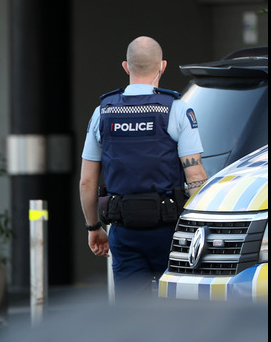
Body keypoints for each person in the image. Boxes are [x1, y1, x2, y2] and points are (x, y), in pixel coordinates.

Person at [78, 35, 208, 300]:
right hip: (170, 231)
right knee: (177, 309)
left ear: (126, 67)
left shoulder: (102, 112)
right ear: (163, 66)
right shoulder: (178, 110)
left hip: (124, 231)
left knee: (131, 315)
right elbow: (195, 176)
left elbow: (87, 182)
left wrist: (94, 228)